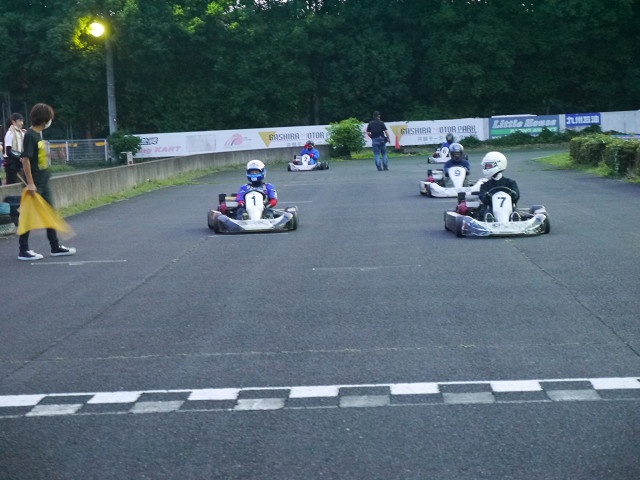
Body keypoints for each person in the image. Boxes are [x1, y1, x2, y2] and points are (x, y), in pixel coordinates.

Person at [18, 103, 76, 261]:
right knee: (28, 216)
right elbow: (26, 160)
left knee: (50, 213)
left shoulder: (39, 135)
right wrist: (30, 183)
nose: (51, 121)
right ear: (44, 120)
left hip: (44, 181)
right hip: (35, 184)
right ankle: (23, 250)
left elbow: (37, 158)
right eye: (50, 118)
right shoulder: (30, 135)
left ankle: (55, 247)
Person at [477, 151, 520, 220]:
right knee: (487, 211)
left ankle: (515, 218)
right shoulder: (485, 185)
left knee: (514, 210)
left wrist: (513, 194)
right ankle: (489, 219)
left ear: (499, 165)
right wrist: (486, 196)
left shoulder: (510, 183)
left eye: (489, 166)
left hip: (509, 209)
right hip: (491, 209)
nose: (486, 168)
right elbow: (482, 198)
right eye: (486, 166)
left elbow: (516, 197)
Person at [3, 113, 25, 185]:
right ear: (13, 122)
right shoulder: (10, 133)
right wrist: (19, 158)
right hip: (11, 163)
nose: (21, 123)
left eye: (22, 121)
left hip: (19, 161)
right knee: (12, 183)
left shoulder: (22, 133)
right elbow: (8, 152)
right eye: (19, 121)